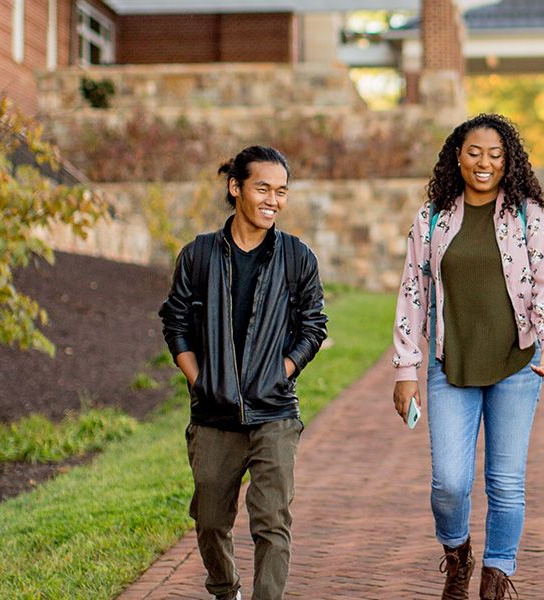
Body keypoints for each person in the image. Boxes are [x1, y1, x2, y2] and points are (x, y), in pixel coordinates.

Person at [390, 114, 544, 600]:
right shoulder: (432, 218)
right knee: (449, 483)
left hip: (517, 364)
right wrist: (406, 367)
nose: (484, 163)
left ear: (508, 160)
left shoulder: (529, 215)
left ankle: (495, 578)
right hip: (451, 365)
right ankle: (457, 554)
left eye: (495, 154)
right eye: (474, 152)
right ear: (457, 156)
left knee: (506, 483)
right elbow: (412, 291)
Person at [158, 145, 329, 600]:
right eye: (263, 188)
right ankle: (225, 588)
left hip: (275, 412)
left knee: (271, 521)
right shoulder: (198, 255)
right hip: (213, 417)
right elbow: (174, 322)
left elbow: (313, 326)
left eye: (281, 191)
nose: (273, 200)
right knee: (210, 521)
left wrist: (281, 372)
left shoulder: (297, 257)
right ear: (236, 188)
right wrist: (200, 381)